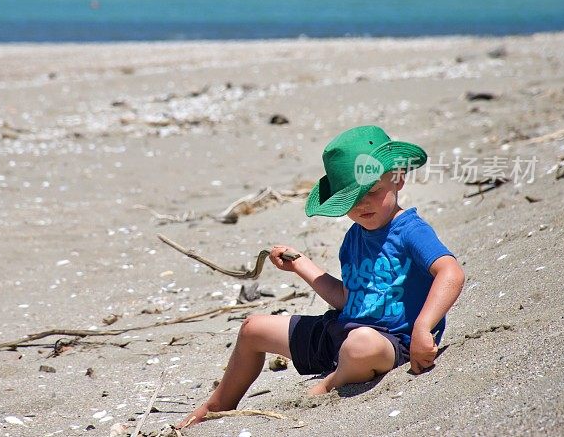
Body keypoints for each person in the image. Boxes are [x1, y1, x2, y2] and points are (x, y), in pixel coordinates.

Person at [179, 125, 465, 428]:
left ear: (397, 179)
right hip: (342, 333)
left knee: (361, 344)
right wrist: (301, 264)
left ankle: (330, 383)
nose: (362, 205)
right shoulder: (354, 238)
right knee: (254, 328)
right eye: (351, 199)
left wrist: (423, 327)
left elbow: (451, 272)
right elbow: (348, 298)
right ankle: (219, 403)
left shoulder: (410, 230)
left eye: (372, 192)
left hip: (393, 343)